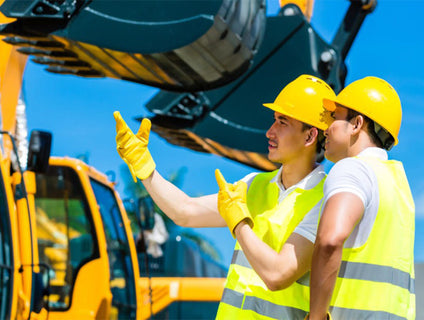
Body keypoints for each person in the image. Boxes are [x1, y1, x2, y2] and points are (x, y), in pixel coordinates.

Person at [114, 74, 336, 319]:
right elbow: (185, 212)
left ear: (310, 136)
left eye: (283, 122)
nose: (269, 132)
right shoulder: (253, 186)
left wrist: (238, 223)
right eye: (274, 120)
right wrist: (145, 169)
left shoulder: (326, 200)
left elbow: (277, 276)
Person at [308, 77, 415, 320]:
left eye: (335, 118)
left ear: (356, 124)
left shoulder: (353, 169)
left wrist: (315, 317)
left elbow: (329, 240)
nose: (326, 128)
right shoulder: (398, 185)